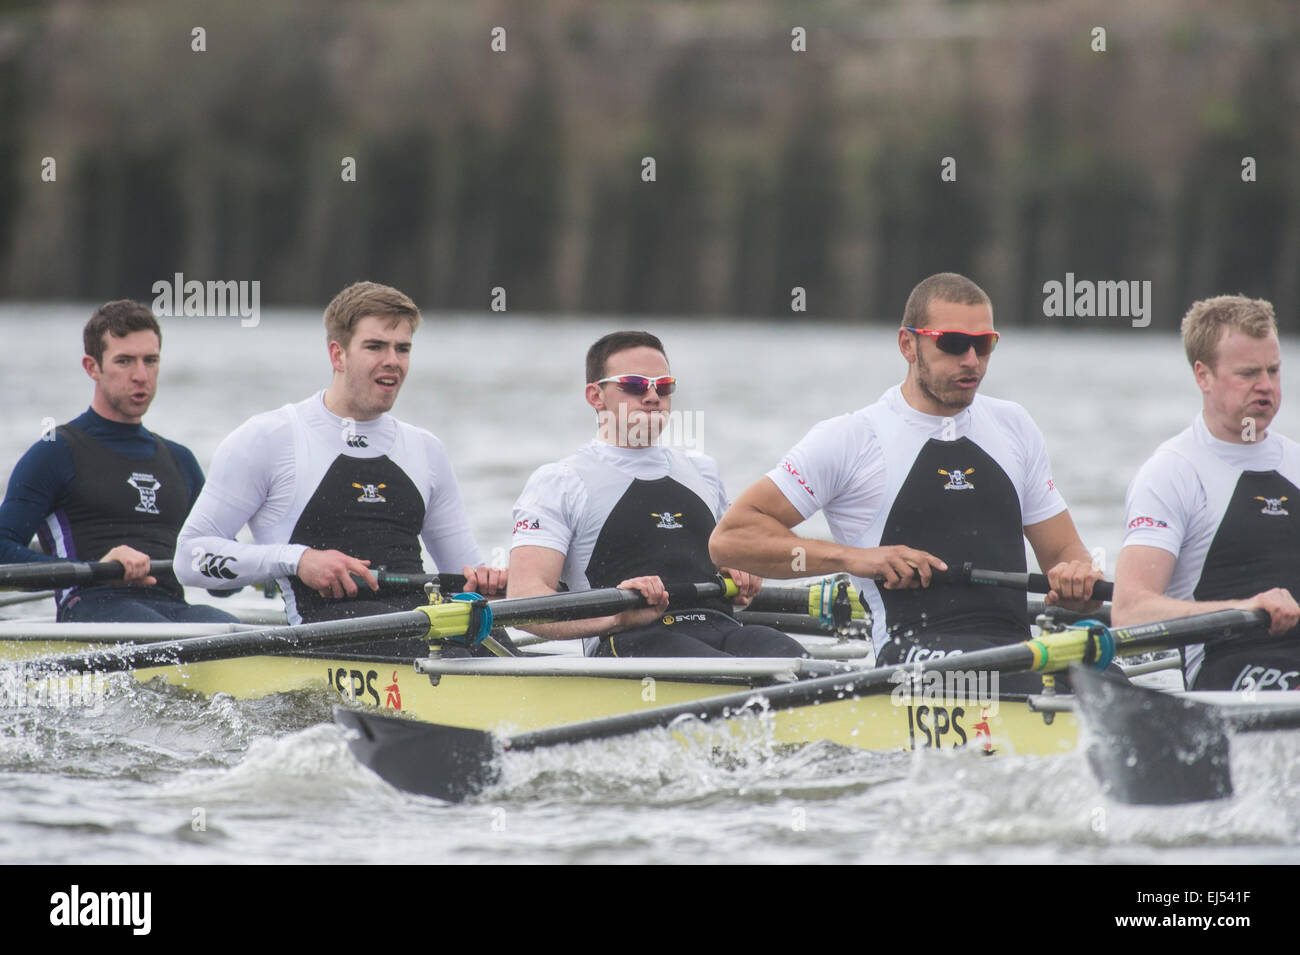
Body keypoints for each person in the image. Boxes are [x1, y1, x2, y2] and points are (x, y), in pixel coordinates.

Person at [709, 273, 1102, 683]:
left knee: (1108, 676)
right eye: (952, 343)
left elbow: (1064, 553)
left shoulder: (1014, 426)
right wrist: (854, 559)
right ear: (907, 345)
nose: (971, 359)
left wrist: (1079, 580)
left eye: (983, 344)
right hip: (914, 656)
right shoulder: (852, 438)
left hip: (1015, 648)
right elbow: (729, 541)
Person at [175, 281, 504, 628]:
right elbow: (189, 558)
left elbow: (464, 578)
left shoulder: (426, 449)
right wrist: (297, 560)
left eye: (402, 349)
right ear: (338, 355)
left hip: (424, 630)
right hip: (333, 638)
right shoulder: (267, 439)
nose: (392, 361)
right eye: (375, 347)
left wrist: (486, 582)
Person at [507, 331, 806, 658]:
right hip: (630, 642)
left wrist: (743, 572)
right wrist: (616, 614)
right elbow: (525, 602)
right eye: (634, 385)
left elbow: (735, 558)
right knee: (746, 676)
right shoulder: (559, 482)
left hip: (721, 628)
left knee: (790, 656)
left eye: (663, 386)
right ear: (596, 396)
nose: (652, 396)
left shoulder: (703, 471)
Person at [0, 300, 237, 623]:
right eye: (124, 361)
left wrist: (277, 559)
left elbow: (222, 585)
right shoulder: (54, 453)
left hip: (170, 610)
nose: (141, 375)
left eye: (150, 361)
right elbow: (3, 549)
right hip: (91, 606)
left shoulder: (181, 461)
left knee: (227, 626)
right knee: (164, 630)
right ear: (91, 367)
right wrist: (96, 569)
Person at [1112, 295, 1300, 691]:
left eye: (1273, 370)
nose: (1266, 387)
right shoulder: (1172, 473)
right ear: (1203, 375)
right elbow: (1129, 611)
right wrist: (1245, 608)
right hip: (1225, 668)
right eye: (1248, 373)